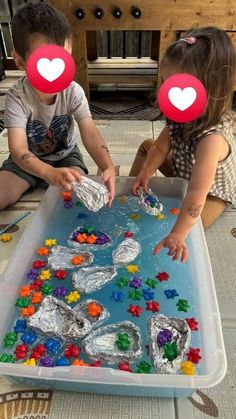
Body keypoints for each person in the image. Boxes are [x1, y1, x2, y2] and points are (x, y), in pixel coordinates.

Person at [130, 27, 236, 263]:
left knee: (189, 228)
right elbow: (159, 148)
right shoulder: (179, 113)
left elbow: (196, 196)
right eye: (167, 85)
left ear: (211, 90)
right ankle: (131, 191)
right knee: (148, 147)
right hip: (183, 169)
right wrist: (146, 172)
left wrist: (178, 234)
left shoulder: (212, 140)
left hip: (210, 194)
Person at [0, 1, 115, 209]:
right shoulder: (16, 97)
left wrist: (107, 166)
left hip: (66, 156)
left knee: (78, 197)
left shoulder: (73, 91)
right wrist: (47, 172)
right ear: (19, 61)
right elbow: (18, 149)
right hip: (27, 160)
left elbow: (89, 132)